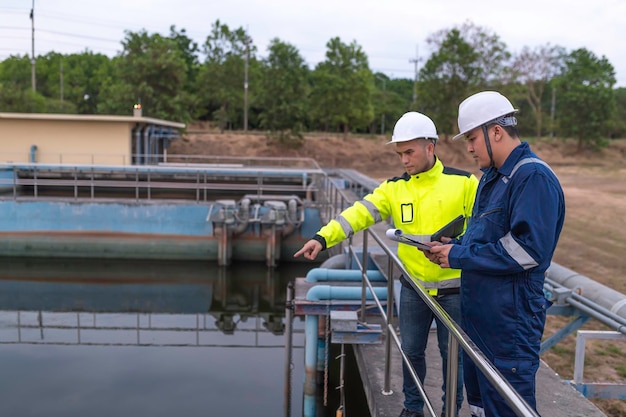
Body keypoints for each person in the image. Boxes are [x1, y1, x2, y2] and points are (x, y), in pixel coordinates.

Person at [294, 111, 479, 417]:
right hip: (413, 288)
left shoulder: (464, 183)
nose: (404, 160)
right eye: (400, 153)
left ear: (430, 146)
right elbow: (358, 214)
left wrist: (458, 245)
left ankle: (450, 411)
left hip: (456, 290)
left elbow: (484, 226)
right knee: (410, 353)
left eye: (410, 152)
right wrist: (323, 238)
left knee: (453, 360)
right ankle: (412, 408)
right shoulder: (394, 189)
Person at [425, 91, 566, 417]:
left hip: (509, 326)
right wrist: (455, 245)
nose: (469, 148)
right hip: (481, 321)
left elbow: (526, 251)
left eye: (472, 138)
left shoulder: (533, 178)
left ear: (497, 131)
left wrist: (459, 257)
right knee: (481, 408)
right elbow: (487, 236)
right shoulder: (492, 178)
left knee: (507, 408)